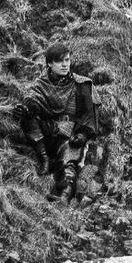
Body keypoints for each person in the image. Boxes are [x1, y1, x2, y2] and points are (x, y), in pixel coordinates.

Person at [16, 43, 98, 201]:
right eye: (60, 61)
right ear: (49, 64)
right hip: (48, 133)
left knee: (69, 162)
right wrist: (24, 111)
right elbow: (32, 104)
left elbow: (89, 115)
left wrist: (82, 134)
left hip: (70, 133)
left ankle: (64, 197)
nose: (65, 64)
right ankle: (44, 158)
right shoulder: (40, 85)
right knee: (28, 117)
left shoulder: (81, 85)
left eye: (67, 60)